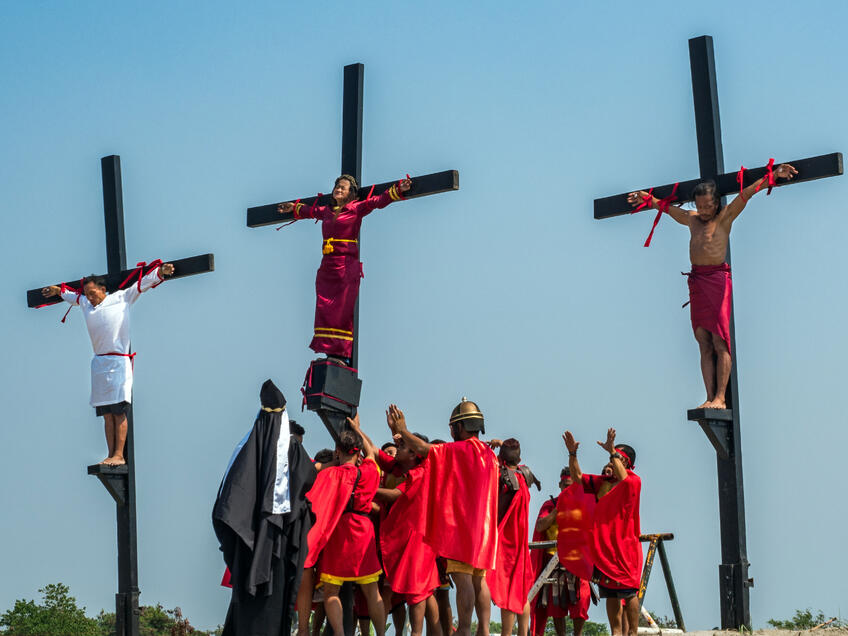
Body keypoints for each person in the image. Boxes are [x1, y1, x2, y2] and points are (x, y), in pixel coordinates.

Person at [627, 162, 797, 408]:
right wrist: (648, 198)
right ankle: (709, 397)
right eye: (700, 205)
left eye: (708, 205)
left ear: (716, 203)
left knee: (720, 340)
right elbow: (664, 208)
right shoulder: (692, 219)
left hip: (717, 280)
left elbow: (746, 193)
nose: (704, 210)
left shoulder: (725, 216)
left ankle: (720, 397)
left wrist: (773, 175)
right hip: (697, 281)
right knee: (703, 340)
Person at [41, 261, 174, 465]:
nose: (90, 297)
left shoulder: (121, 298)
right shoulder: (85, 303)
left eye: (93, 292)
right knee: (106, 413)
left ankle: (119, 455)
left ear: (103, 289)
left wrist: (161, 272)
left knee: (119, 411)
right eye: (88, 293)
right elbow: (70, 295)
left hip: (119, 361)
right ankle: (110, 453)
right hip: (99, 364)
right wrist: (56, 290)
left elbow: (143, 283)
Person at [386, 399, 499, 636]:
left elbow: (426, 450)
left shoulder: (460, 449)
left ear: (460, 427)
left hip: (464, 529)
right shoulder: (489, 455)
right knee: (480, 579)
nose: (450, 432)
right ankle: (484, 631)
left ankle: (465, 629)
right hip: (485, 530)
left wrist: (402, 430)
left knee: (464, 578)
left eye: (452, 427)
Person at [213, 379, 317, 636]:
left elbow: (228, 503)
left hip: (247, 546)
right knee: (271, 612)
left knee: (246, 612)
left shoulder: (248, 447)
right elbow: (307, 484)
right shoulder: (291, 448)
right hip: (276, 546)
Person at [278, 175, 412, 365]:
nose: (338, 190)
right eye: (336, 187)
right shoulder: (326, 211)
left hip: (345, 266)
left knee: (341, 310)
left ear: (351, 193)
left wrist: (399, 190)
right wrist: (293, 208)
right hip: (327, 267)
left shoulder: (356, 208)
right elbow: (310, 211)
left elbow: (378, 201)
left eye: (343, 188)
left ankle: (341, 355)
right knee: (324, 309)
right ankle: (328, 352)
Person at [352, 417, 441, 636]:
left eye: (401, 446)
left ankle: (416, 634)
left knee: (418, 593)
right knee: (423, 593)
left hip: (417, 541)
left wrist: (363, 489)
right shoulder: (400, 467)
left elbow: (393, 495)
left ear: (414, 454)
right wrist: (357, 429)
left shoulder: (420, 474)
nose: (396, 448)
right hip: (405, 540)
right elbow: (372, 449)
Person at [302, 426, 386, 636]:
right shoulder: (369, 471)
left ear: (337, 452)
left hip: (339, 533)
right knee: (372, 591)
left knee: (331, 592)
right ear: (358, 453)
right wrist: (356, 426)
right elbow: (372, 454)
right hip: (364, 531)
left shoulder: (329, 475)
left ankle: (339, 634)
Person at [563, 429, 641, 636]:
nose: (611, 461)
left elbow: (624, 481)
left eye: (617, 457)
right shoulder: (603, 482)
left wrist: (611, 450)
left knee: (629, 591)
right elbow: (577, 477)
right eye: (611, 457)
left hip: (625, 549)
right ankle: (616, 633)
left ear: (627, 463)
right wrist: (572, 454)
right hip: (604, 549)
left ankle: (632, 632)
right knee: (611, 593)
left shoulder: (633, 481)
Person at [531, 468, 591, 636]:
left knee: (581, 602)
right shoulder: (550, 505)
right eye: (565, 486)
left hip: (577, 561)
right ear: (560, 485)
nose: (567, 489)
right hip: (553, 562)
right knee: (555, 607)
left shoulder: (585, 505)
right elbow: (540, 526)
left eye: (571, 486)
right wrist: (558, 510)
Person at [485, 439, 535, 636]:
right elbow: (512, 461)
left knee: (507, 592)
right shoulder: (524, 476)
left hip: (504, 543)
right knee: (520, 593)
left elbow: (494, 467)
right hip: (520, 544)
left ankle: (506, 634)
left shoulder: (500, 475)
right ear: (520, 458)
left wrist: (494, 451)